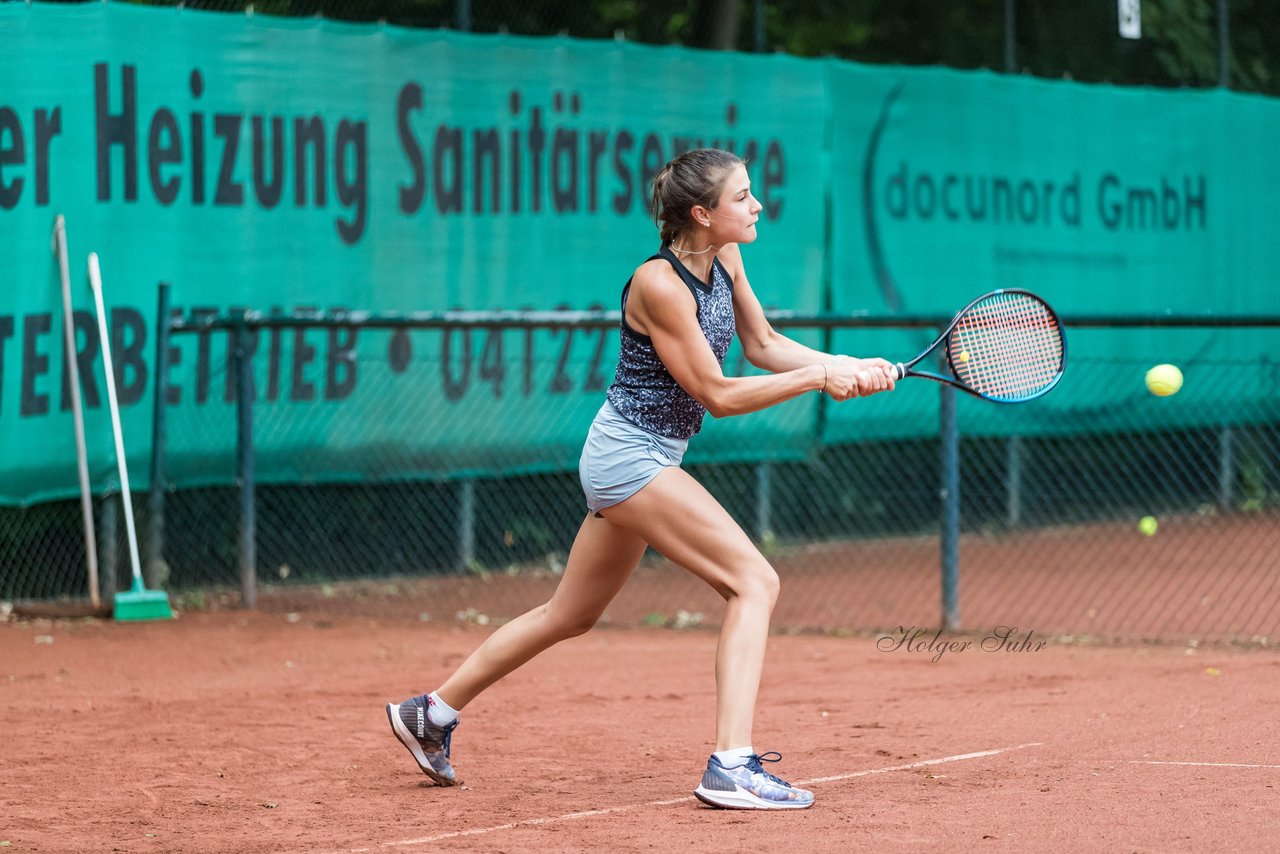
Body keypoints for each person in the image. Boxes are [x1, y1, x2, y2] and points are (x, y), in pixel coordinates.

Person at [386, 148, 895, 810]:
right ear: (702, 214)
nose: (758, 205)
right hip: (630, 459)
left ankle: (432, 713)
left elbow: (764, 343)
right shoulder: (658, 283)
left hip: (646, 457)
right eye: (743, 197)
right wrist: (817, 379)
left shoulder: (725, 257)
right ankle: (732, 765)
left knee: (568, 615)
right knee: (755, 582)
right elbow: (716, 393)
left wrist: (845, 362)